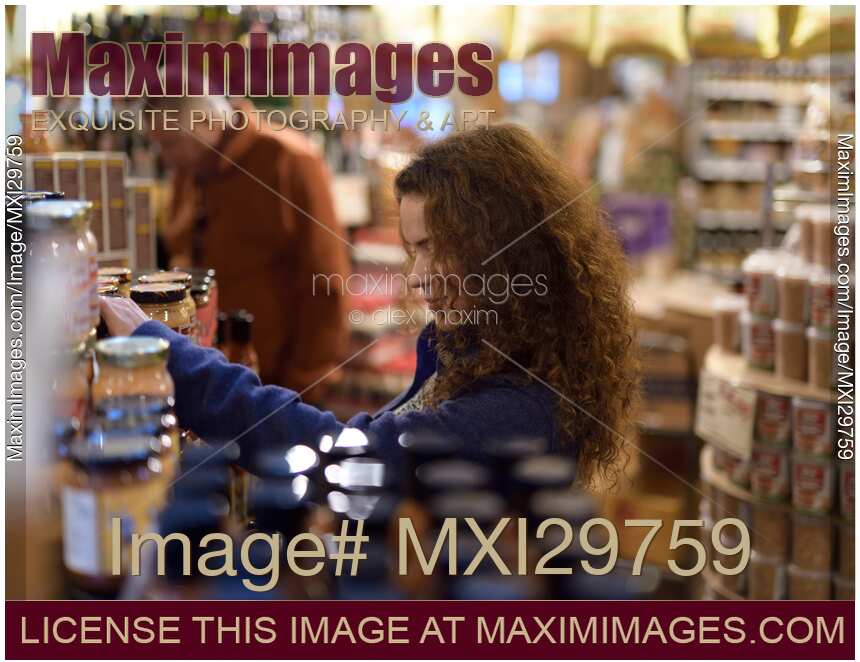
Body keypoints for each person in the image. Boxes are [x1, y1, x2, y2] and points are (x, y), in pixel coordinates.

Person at [102, 124, 639, 485]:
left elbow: (348, 455)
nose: (418, 276)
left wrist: (168, 354)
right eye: (413, 250)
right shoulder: (481, 354)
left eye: (434, 248)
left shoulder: (515, 409)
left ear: (503, 250)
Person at [147, 95, 350, 398]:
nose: (166, 157)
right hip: (209, 374)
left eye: (172, 142)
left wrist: (305, 382)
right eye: (159, 145)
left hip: (279, 382)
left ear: (207, 122)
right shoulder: (191, 167)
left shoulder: (287, 158)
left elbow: (326, 275)